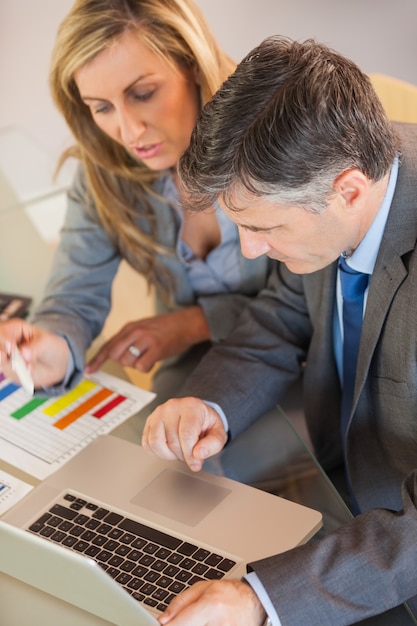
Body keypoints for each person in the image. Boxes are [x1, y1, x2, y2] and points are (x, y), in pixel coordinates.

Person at [142, 36, 417, 625]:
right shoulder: (336, 171)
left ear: (348, 190)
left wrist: (262, 602)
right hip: (331, 492)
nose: (250, 248)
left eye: (265, 227)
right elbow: (280, 314)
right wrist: (209, 403)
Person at [0, 0, 269, 403]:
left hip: (307, 363)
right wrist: (54, 343)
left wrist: (196, 322)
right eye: (101, 108)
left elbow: (311, 301)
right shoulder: (104, 173)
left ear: (192, 62)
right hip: (196, 364)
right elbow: (73, 293)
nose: (129, 131)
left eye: (143, 93)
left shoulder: (276, 136)